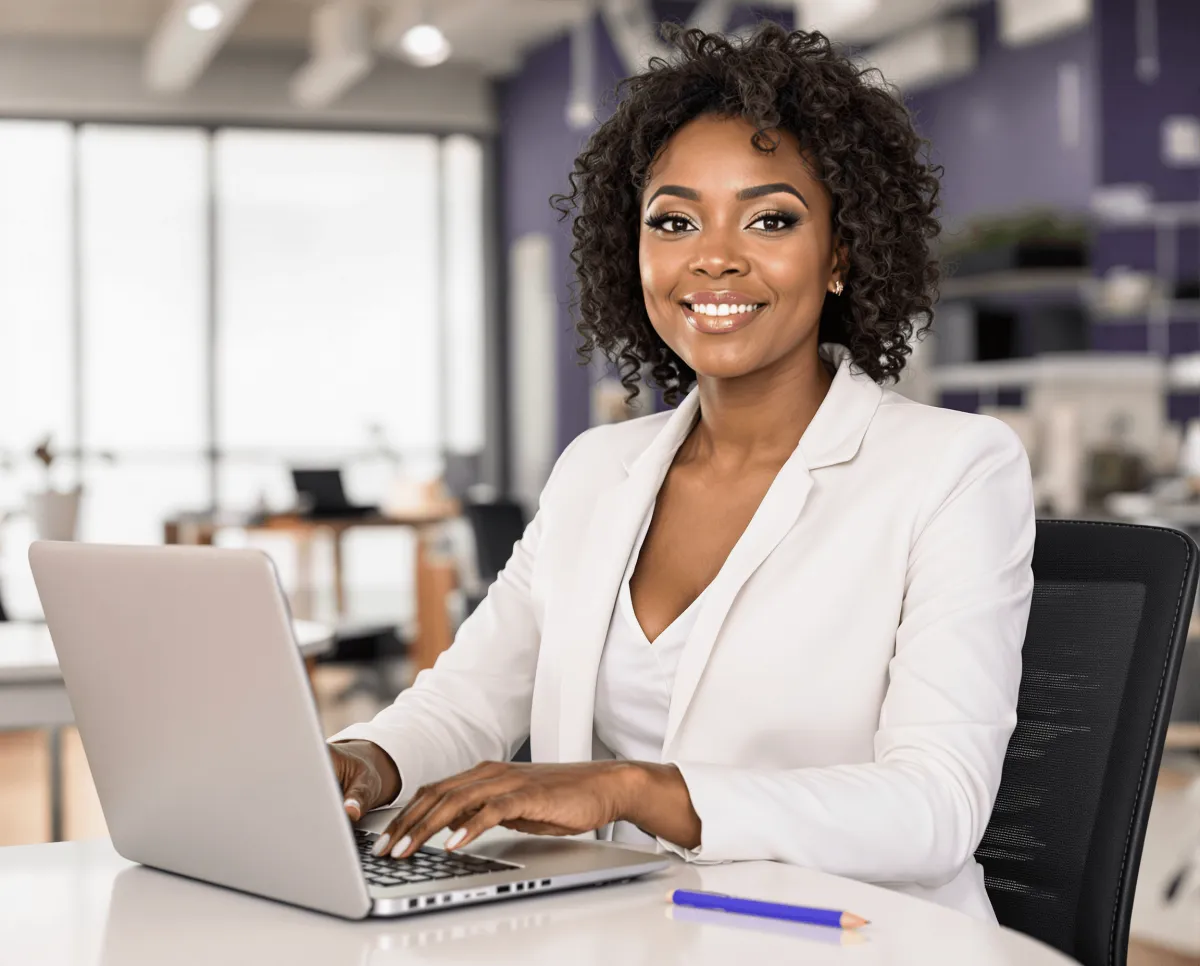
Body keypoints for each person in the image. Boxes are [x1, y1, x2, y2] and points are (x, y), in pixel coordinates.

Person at [327, 22, 1035, 923]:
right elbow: (469, 700)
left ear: (842, 255)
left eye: (771, 218)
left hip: (848, 938)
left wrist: (631, 788)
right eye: (674, 220)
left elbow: (935, 809)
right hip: (615, 930)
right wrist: (364, 760)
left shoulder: (952, 470)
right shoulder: (598, 469)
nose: (714, 256)